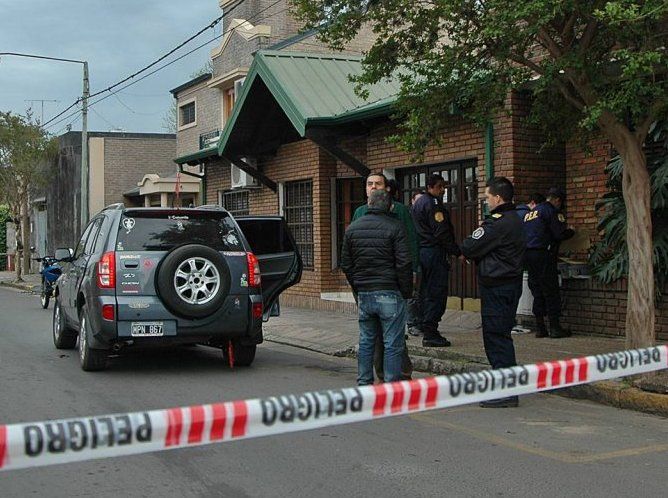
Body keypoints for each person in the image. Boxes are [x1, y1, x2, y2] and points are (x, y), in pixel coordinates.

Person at [461, 177, 526, 408]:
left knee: (497, 337)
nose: (487, 202)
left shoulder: (497, 223)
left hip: (497, 286)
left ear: (498, 198)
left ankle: (506, 391)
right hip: (510, 284)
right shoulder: (516, 219)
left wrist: (475, 254)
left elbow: (469, 245)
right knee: (502, 334)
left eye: (488, 197)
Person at [341, 189, 413, 385]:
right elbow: (404, 263)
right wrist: (406, 291)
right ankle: (390, 386)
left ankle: (364, 383)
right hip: (390, 290)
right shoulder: (396, 227)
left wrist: (358, 285)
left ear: (369, 204)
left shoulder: (352, 228)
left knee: (366, 341)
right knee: (392, 343)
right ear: (390, 206)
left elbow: (346, 264)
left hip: (365, 292)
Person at [412, 174, 461, 347]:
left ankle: (424, 324)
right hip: (434, 252)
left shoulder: (419, 203)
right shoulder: (433, 204)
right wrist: (456, 251)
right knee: (436, 292)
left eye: (444, 186)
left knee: (425, 291)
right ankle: (430, 332)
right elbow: (441, 232)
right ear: (431, 187)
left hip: (424, 252)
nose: (443, 190)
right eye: (440, 187)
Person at [523, 186, 575, 338]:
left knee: (537, 291)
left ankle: (540, 328)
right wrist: (571, 232)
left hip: (529, 255)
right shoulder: (550, 211)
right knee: (550, 291)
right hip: (544, 255)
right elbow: (558, 234)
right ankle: (555, 328)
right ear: (557, 200)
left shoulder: (531, 213)